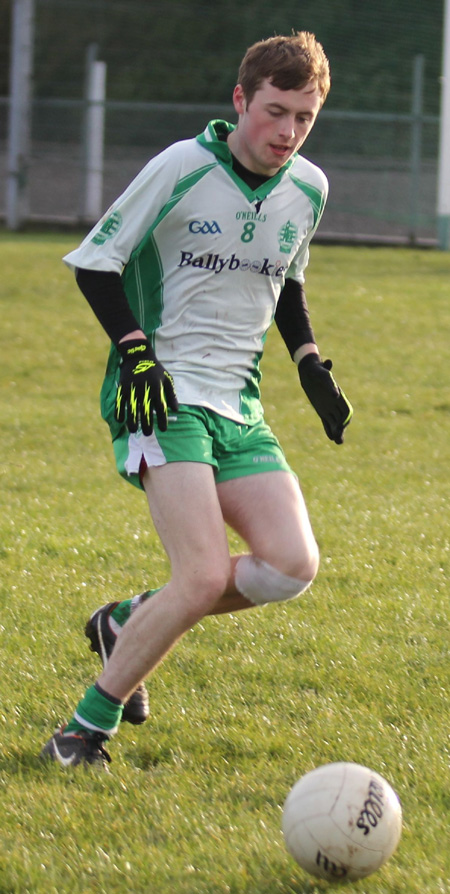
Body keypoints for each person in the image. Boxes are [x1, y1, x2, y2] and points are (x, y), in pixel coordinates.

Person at [41, 31, 352, 768]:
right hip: (160, 396)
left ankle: (125, 621)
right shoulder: (182, 167)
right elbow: (96, 263)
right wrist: (135, 352)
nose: (287, 132)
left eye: (304, 118)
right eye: (275, 111)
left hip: (239, 406)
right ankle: (83, 730)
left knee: (289, 566)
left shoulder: (308, 187)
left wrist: (309, 363)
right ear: (240, 100)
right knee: (204, 575)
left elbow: (287, 281)